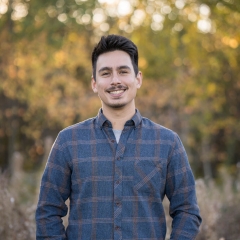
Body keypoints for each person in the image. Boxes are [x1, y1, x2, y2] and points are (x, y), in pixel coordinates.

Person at [36, 34, 201, 239]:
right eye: (106, 73)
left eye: (123, 71)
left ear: (137, 79)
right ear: (95, 84)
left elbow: (187, 210)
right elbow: (47, 212)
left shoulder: (167, 142)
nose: (115, 80)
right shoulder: (68, 141)